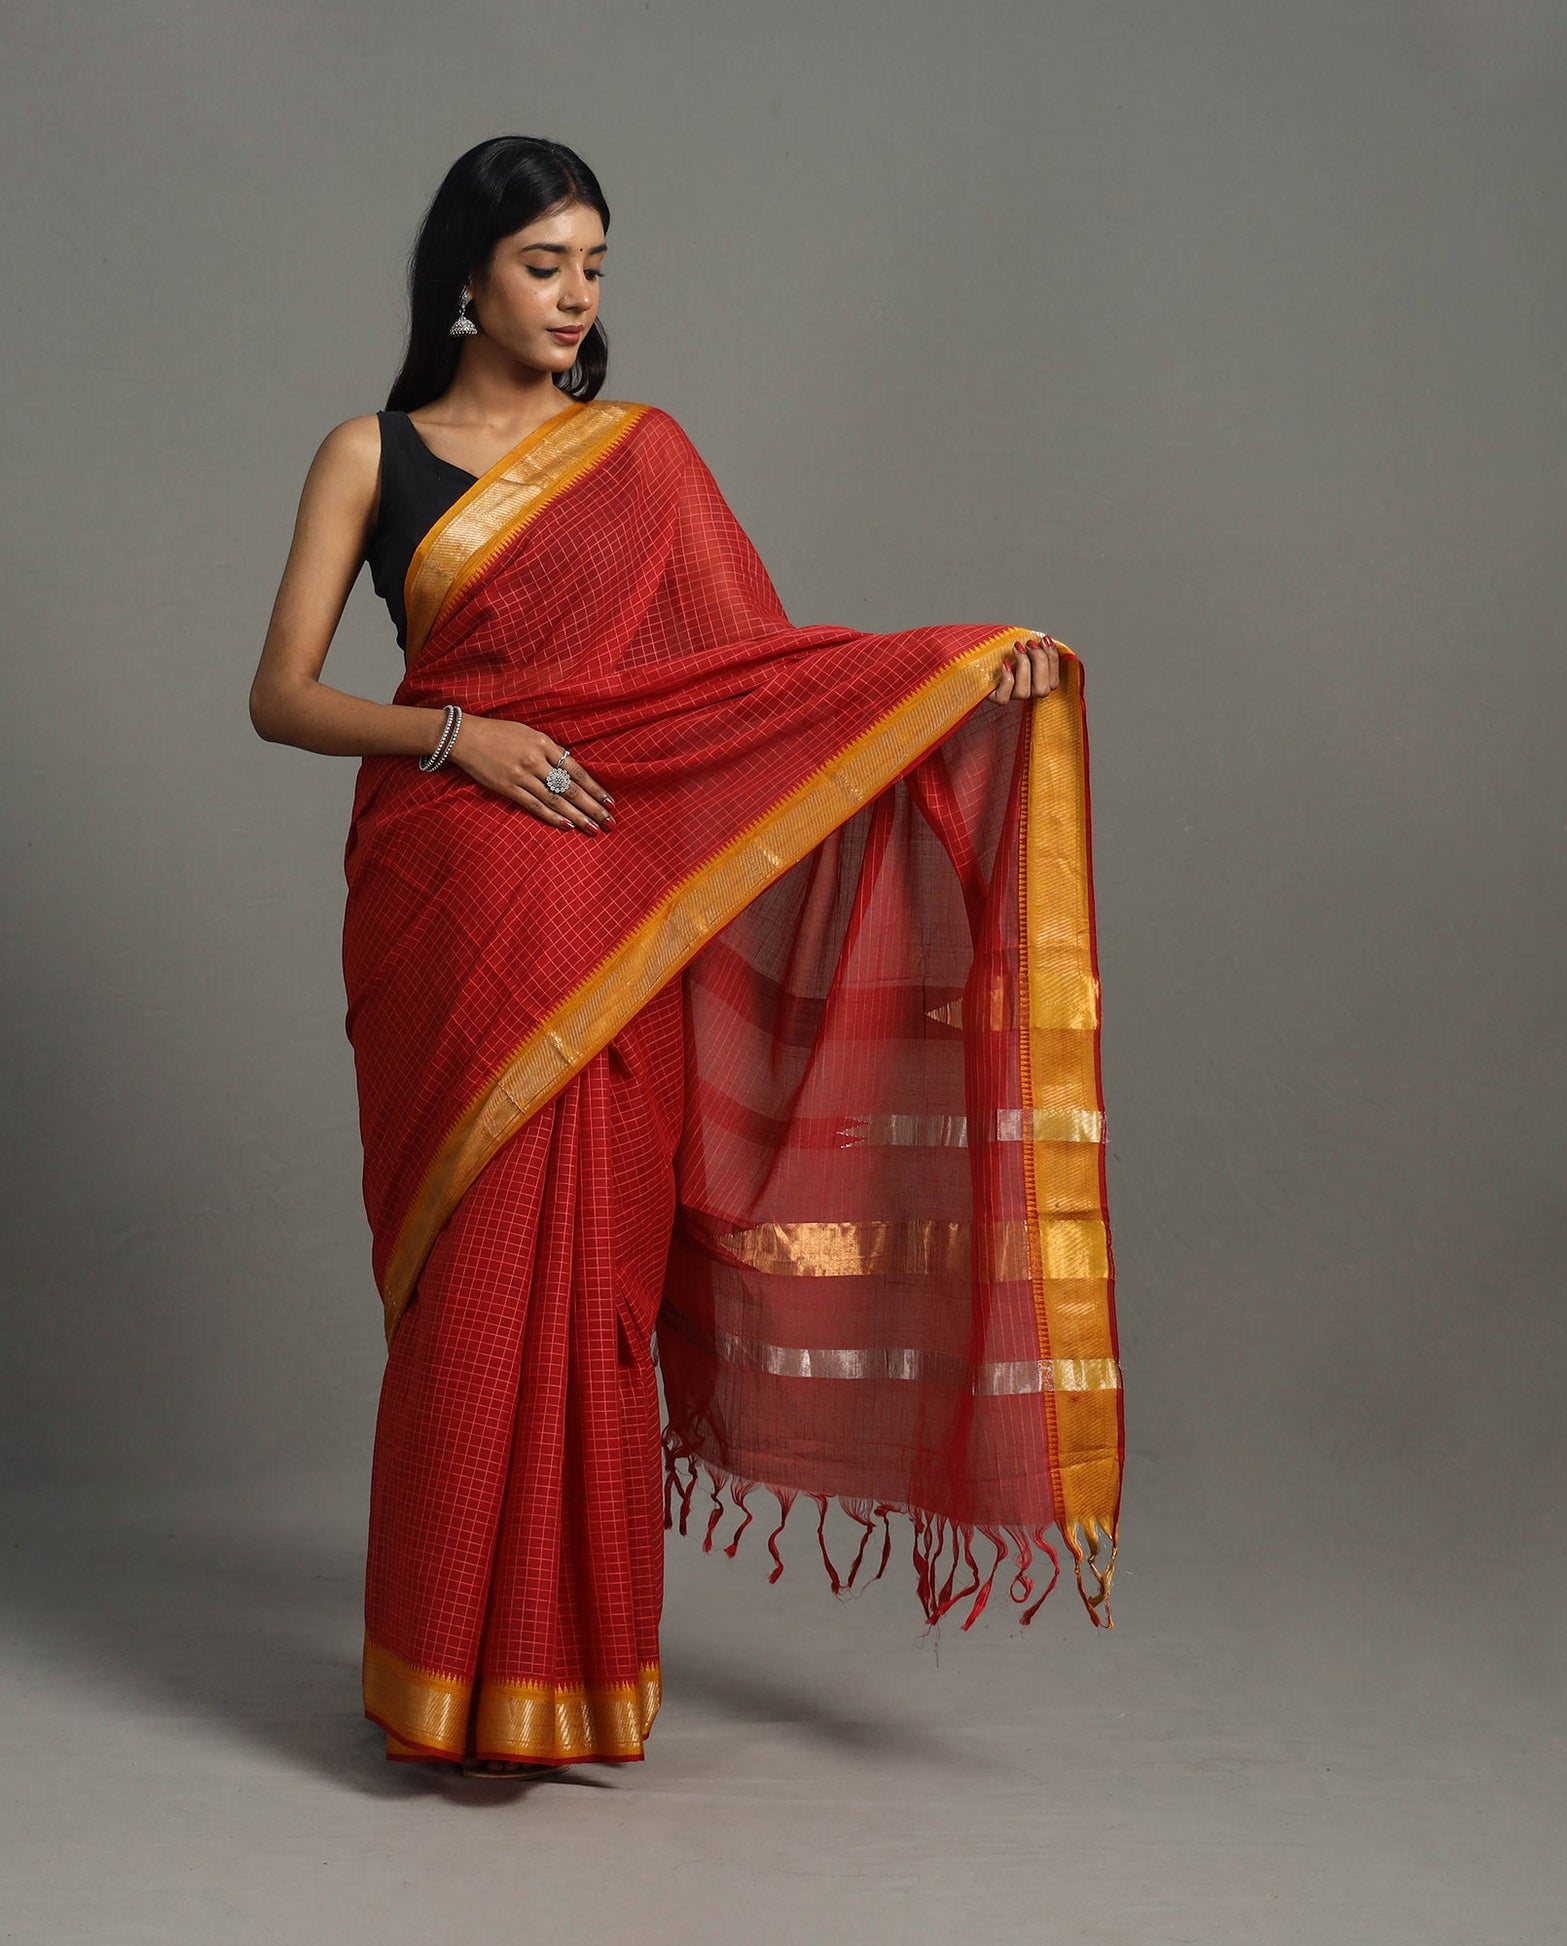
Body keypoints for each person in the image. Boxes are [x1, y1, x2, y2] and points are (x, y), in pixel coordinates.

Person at [249, 136, 1121, 1780]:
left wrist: (947, 676)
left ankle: (563, 1676)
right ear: (465, 276)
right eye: (542, 265)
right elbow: (279, 693)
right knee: (472, 1285)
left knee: (590, 1275)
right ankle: (439, 1671)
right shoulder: (369, 454)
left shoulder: (642, 460)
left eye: (593, 265)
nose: (574, 296)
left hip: (611, 896)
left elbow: (755, 683)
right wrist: (458, 735)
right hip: (453, 890)